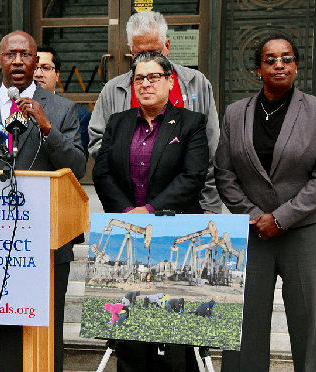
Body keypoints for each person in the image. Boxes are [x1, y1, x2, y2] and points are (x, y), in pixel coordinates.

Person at [0, 30, 86, 372]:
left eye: (25, 55)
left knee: (42, 332)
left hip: (45, 241)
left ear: (36, 61)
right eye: (10, 55)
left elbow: (79, 167)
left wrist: (46, 127)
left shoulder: (63, 109)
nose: (18, 61)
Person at [214, 34, 316, 372]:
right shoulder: (235, 113)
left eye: (286, 58)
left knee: (309, 324)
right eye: (270, 59)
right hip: (252, 233)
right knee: (244, 325)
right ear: (259, 69)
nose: (279, 64)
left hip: (305, 231)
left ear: (296, 65)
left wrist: (281, 218)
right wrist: (255, 216)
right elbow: (224, 174)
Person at [93, 51, 209, 372]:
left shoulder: (191, 123)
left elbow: (193, 176)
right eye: (139, 78)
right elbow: (102, 172)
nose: (146, 84)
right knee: (130, 327)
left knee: (175, 327)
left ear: (169, 81)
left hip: (174, 236)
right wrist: (129, 212)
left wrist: (150, 210)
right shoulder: (118, 122)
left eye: (153, 77)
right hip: (128, 235)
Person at [88, 10, 221, 214]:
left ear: (167, 46)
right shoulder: (113, 89)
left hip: (185, 205)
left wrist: (209, 203)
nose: (147, 59)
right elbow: (99, 142)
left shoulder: (196, 83)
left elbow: (211, 147)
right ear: (130, 49)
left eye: (154, 52)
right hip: (128, 202)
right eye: (139, 54)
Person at [34, 44, 91, 159]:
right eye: (34, 68)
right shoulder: (13, 107)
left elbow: (77, 165)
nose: (38, 74)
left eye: (46, 68)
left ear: (57, 75)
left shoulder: (79, 115)